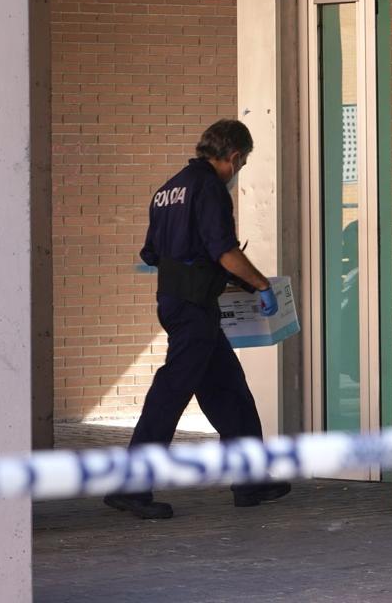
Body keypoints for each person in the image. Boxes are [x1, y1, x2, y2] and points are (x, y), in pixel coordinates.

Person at [104, 119, 291, 519]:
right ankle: (130, 487)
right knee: (170, 392)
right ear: (235, 156)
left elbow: (150, 253)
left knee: (230, 392)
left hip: (181, 303)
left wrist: (195, 265)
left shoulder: (167, 190)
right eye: (240, 165)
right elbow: (224, 250)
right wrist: (259, 285)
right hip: (193, 309)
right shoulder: (208, 188)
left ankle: (252, 481)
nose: (237, 172)